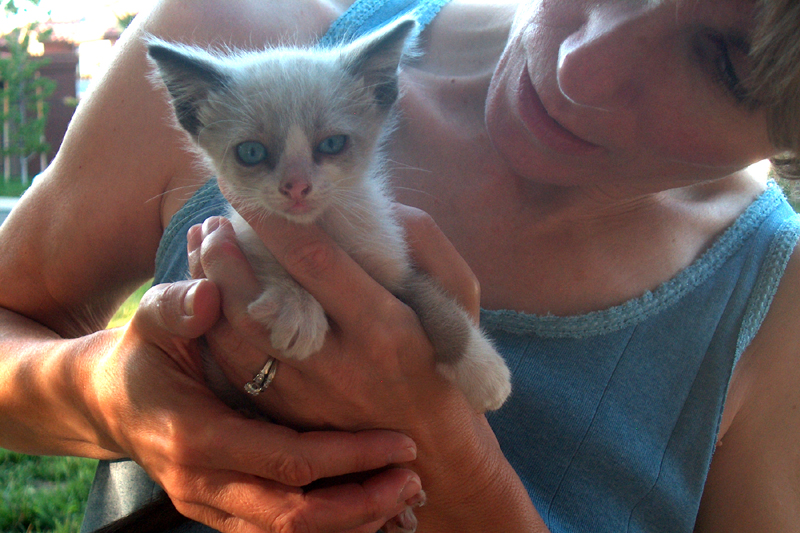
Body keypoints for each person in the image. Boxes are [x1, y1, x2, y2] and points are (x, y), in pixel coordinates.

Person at [0, 0, 798, 531]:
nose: (580, 68)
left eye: (724, 65)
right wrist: (109, 394)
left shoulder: (774, 299)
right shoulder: (237, 22)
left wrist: (463, 472)